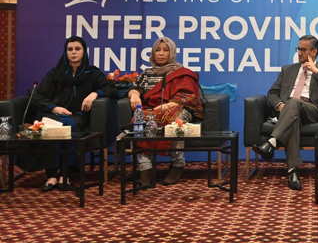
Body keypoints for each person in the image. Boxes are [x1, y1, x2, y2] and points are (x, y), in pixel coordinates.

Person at [252, 35, 318, 190]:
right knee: (293, 117)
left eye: (303, 50)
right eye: (298, 49)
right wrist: (280, 105)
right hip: (289, 112)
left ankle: (271, 142)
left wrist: (316, 71)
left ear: (314, 52)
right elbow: (272, 93)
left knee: (293, 102)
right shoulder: (288, 70)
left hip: (312, 110)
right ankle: (293, 171)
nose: (299, 53)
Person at [30, 36, 117, 192]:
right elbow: (39, 96)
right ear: (65, 52)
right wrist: (54, 108)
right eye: (70, 49)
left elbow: (112, 89)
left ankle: (65, 174)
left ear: (84, 51)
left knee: (69, 124)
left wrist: (94, 94)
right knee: (53, 126)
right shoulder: (55, 74)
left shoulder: (92, 73)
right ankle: (51, 175)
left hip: (78, 116)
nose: (73, 52)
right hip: (55, 114)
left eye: (77, 49)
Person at [127, 37, 203, 187]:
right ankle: (146, 169)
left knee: (176, 122)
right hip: (151, 110)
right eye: (158, 50)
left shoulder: (182, 73)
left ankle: (177, 164)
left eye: (165, 50)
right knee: (138, 121)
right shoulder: (147, 73)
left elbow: (189, 97)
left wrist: (168, 106)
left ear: (172, 53)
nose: (161, 53)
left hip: (177, 108)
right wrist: (134, 94)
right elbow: (135, 88)